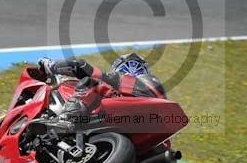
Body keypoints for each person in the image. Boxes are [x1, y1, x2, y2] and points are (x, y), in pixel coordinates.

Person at [36, 53, 166, 124]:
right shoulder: (157, 94)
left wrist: (51, 66)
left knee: (91, 82)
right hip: (144, 130)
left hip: (119, 118)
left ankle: (66, 118)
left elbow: (81, 67)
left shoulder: (120, 81)